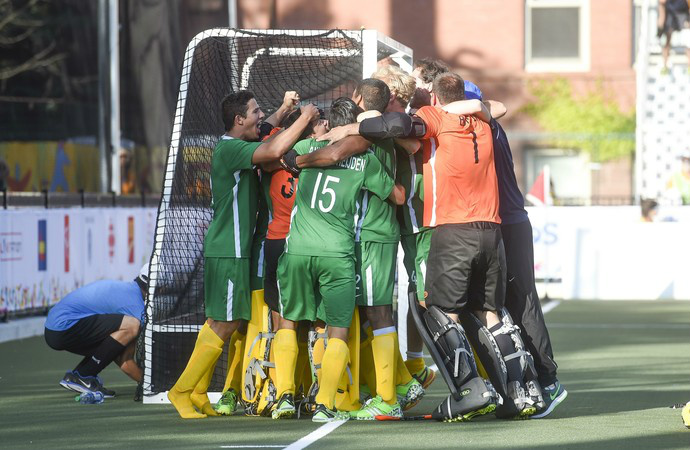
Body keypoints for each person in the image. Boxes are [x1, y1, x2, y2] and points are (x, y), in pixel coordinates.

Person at [167, 90, 319, 419]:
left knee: (221, 322)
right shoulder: (232, 148)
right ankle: (180, 391)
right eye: (255, 112)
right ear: (239, 120)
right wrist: (305, 117)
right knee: (225, 323)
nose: (260, 118)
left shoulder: (234, 143)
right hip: (229, 250)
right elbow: (276, 148)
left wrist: (282, 110)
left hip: (230, 249)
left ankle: (196, 392)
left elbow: (264, 129)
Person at [273, 97, 405, 422]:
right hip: (338, 254)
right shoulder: (365, 158)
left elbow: (278, 154)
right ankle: (325, 403)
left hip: (297, 250)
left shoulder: (307, 144)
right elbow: (398, 196)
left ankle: (285, 398)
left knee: (289, 322)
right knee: (338, 330)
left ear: (330, 123)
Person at [444, 80, 566, 418]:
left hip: (508, 223)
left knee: (521, 302)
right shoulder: (485, 124)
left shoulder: (481, 127)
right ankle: (523, 382)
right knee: (499, 305)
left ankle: (548, 380)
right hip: (501, 223)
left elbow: (493, 106)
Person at [371, 65, 437, 391]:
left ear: (393, 95)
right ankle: (413, 363)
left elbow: (412, 147)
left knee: (428, 296)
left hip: (418, 215)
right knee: (409, 293)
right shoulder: (386, 119)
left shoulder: (410, 120)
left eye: (379, 88)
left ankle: (474, 374)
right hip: (392, 219)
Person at [44, 265, 148, 397]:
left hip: (54, 328)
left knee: (119, 339)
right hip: (64, 326)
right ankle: (84, 375)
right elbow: (125, 360)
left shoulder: (128, 290)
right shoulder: (136, 307)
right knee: (132, 325)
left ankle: (79, 375)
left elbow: (116, 352)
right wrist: (153, 386)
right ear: (157, 289)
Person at [657, 0, 690, 74]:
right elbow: (661, 3)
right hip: (670, 12)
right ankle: (665, 66)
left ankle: (689, 67)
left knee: (688, 41)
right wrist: (660, 25)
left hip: (683, 11)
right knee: (666, 40)